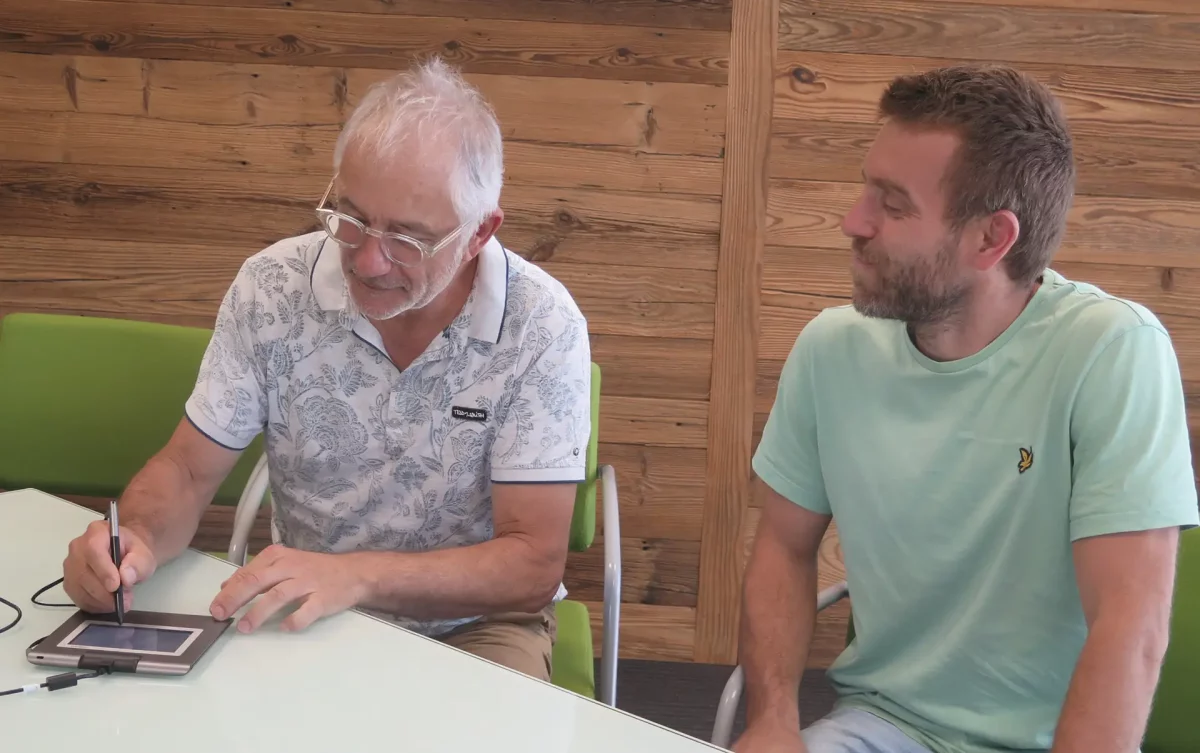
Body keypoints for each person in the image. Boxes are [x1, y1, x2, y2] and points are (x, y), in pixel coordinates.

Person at [60, 56, 593, 682]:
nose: (368, 261)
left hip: (473, 622)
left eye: (408, 239)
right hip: (304, 600)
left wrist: (357, 575)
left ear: (479, 234)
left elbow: (530, 566)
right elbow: (186, 470)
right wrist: (134, 540)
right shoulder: (273, 286)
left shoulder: (540, 323)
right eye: (351, 218)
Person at [735, 63, 1198, 753]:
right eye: (867, 188)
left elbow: (1131, 625)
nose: (852, 222)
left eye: (892, 205)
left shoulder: (1111, 352)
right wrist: (772, 718)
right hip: (883, 726)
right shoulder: (830, 349)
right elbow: (783, 544)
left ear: (991, 239)